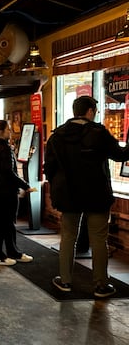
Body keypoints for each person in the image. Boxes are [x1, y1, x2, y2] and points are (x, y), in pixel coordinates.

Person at [44, 95, 129, 298]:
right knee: (99, 239)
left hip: (69, 195)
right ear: (90, 111)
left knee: (68, 238)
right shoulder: (98, 133)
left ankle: (65, 281)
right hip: (96, 194)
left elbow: (49, 169)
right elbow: (121, 155)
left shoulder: (57, 135)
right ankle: (101, 285)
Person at [0, 120, 36, 266]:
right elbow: (8, 172)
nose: (10, 131)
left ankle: (12, 252)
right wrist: (25, 185)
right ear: (0, 132)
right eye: (8, 129)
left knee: (4, 223)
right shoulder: (3, 148)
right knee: (4, 223)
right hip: (6, 190)